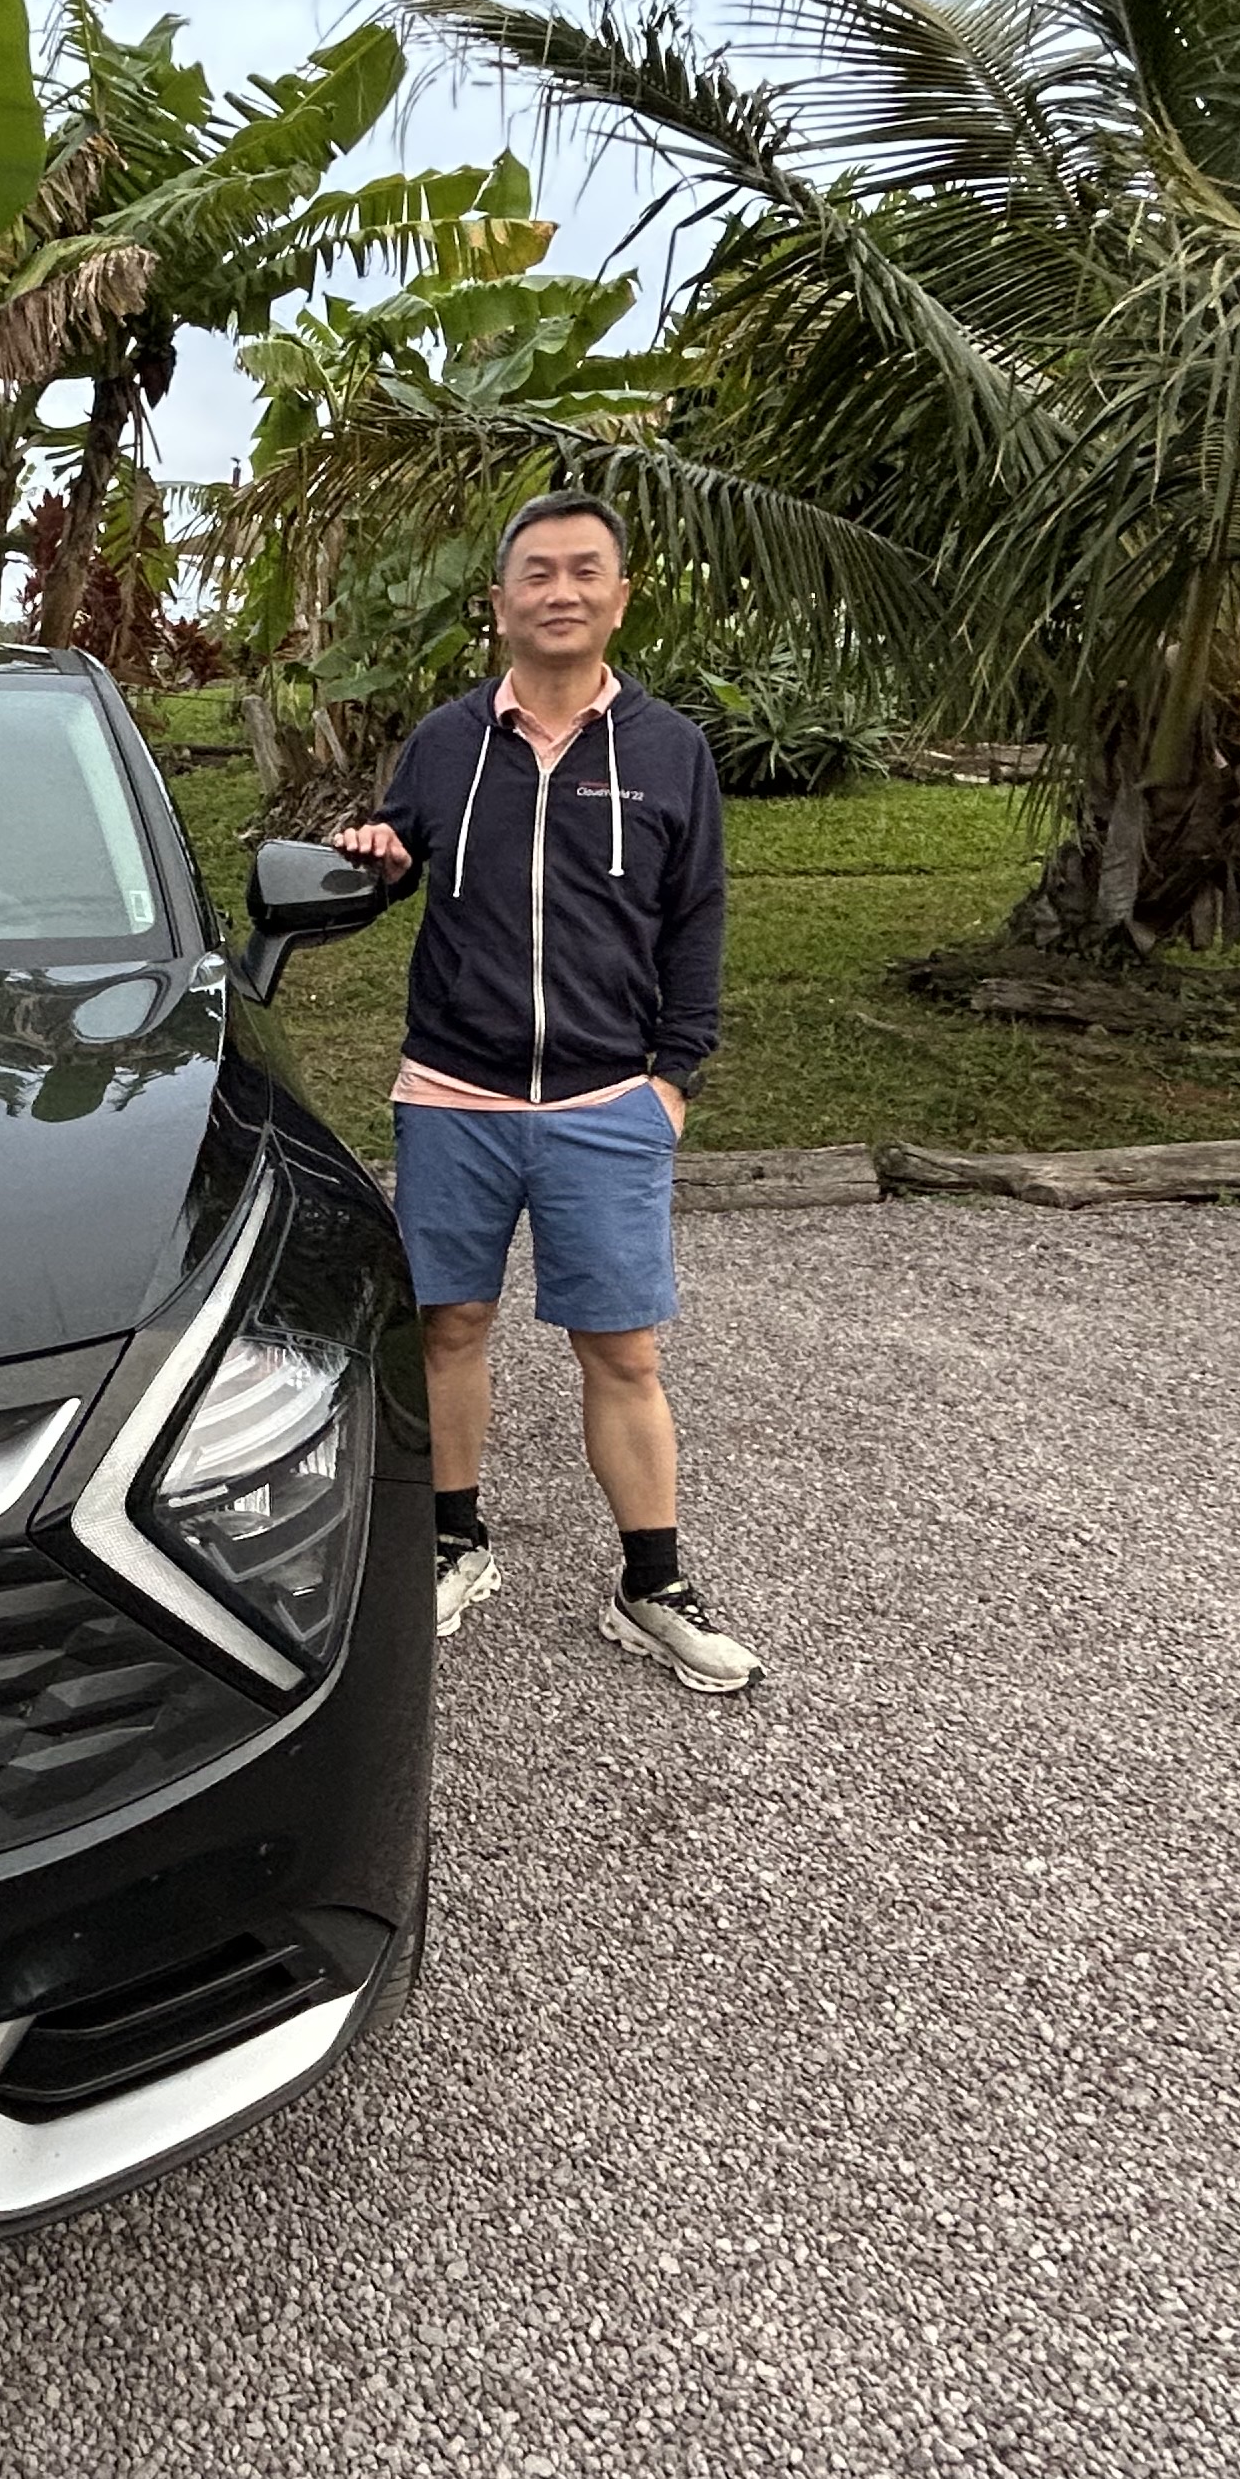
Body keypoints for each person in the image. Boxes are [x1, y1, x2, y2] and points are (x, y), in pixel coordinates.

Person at [330, 490, 764, 1694]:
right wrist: (377, 858)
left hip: (605, 1101)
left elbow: (697, 918)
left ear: (620, 596)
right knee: (448, 1327)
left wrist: (671, 1080)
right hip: (453, 1094)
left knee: (620, 1349)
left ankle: (651, 1585)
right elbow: (397, 862)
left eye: (584, 570)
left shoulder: (669, 750)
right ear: (501, 601)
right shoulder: (445, 741)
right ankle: (453, 1543)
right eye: (537, 572)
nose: (559, 590)